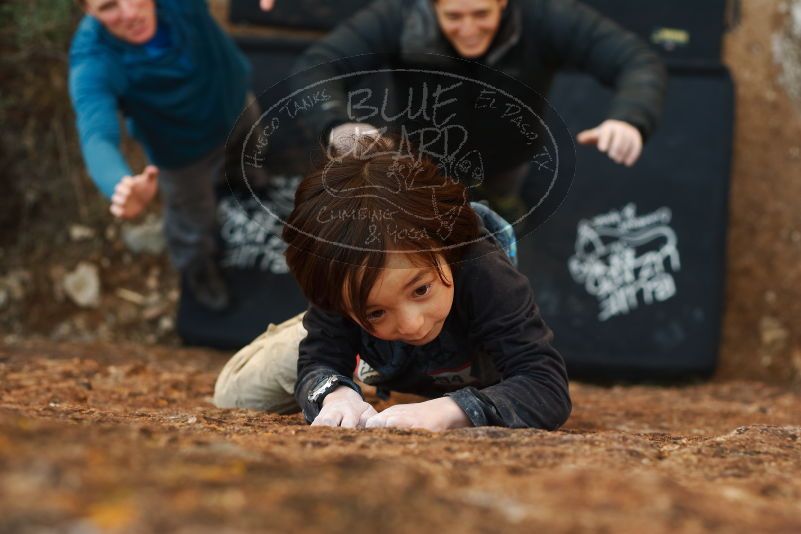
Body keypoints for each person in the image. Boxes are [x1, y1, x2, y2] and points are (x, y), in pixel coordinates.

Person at [213, 136, 571, 430]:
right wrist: (335, 393)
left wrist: (450, 411)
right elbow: (319, 358)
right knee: (238, 394)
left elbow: (545, 385)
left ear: (448, 248)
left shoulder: (485, 273)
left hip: (463, 369)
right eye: (376, 310)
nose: (412, 323)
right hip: (369, 351)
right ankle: (360, 361)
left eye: (421, 290)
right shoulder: (341, 274)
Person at [291, 0, 667, 219]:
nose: (469, 29)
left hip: (511, 150)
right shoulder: (398, 17)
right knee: (428, 218)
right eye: (453, 16)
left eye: (482, 13)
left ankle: (504, 205)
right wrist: (336, 125)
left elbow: (635, 60)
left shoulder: (548, 16)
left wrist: (629, 117)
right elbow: (318, 65)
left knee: (504, 196)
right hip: (426, 154)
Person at [68, 0, 272, 310]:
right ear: (87, 11)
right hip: (182, 154)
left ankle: (242, 177)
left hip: (236, 105)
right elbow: (97, 135)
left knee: (248, 151)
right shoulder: (95, 59)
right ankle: (197, 269)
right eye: (109, 6)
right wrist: (119, 184)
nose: (130, 13)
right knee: (192, 220)